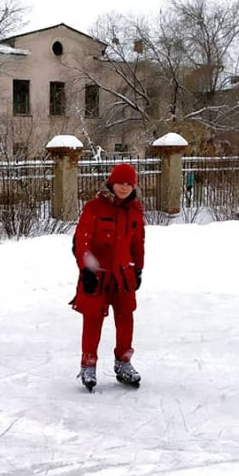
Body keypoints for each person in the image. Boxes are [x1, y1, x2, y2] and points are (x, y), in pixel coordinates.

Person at [70, 162, 145, 392]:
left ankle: (124, 363)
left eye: (129, 183)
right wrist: (87, 269)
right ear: (111, 183)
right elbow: (80, 241)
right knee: (92, 321)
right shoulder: (95, 207)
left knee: (125, 320)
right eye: (120, 182)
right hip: (97, 276)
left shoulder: (134, 211)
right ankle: (88, 365)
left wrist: (138, 269)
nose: (124, 187)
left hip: (123, 275)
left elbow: (137, 243)